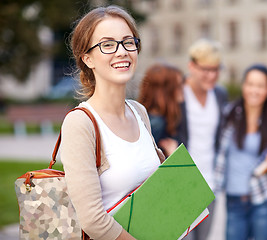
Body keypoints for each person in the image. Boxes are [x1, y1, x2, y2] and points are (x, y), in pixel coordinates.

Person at [60, 6, 164, 240]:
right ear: (87, 58)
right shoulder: (80, 123)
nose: (122, 52)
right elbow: (93, 220)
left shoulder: (139, 112)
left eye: (128, 42)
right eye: (107, 45)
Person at [215, 64, 267, 240]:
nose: (254, 90)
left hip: (265, 199)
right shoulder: (228, 116)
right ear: (243, 86)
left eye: (260, 86)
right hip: (234, 202)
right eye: (250, 84)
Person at [179, 38, 228, 240]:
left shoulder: (219, 94)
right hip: (181, 185)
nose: (211, 75)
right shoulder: (178, 93)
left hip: (209, 183)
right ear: (191, 66)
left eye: (216, 70)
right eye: (206, 69)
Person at [138, 63, 184, 157]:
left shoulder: (160, 118)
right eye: (179, 86)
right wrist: (174, 155)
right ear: (165, 91)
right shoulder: (156, 124)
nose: (183, 89)